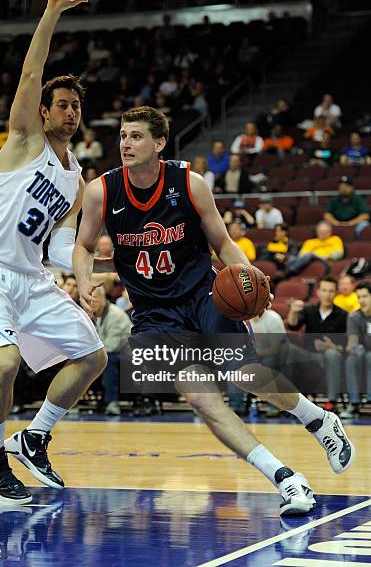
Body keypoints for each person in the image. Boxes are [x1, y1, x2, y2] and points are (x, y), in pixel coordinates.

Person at [73, 105, 355, 516]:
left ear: (159, 143)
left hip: (203, 295)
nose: (126, 144)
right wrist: (82, 279)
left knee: (247, 376)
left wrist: (248, 274)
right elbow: (82, 247)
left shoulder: (190, 183)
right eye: (122, 135)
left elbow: (222, 242)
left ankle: (319, 420)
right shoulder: (102, 190)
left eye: (136, 136)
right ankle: (286, 479)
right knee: (203, 400)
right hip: (154, 313)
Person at [0, 0, 108, 506]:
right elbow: (30, 72)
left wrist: (89, 276)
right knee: (6, 362)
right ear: (44, 112)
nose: (72, 110)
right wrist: (50, 14)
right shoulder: (23, 140)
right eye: (62, 104)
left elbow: (62, 246)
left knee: (92, 355)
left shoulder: (76, 180)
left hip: (33, 277)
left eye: (77, 106)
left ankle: (35, 436)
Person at [286, 277, 347, 412]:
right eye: (324, 290)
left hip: (330, 358)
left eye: (331, 291)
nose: (327, 294)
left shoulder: (343, 315)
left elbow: (346, 347)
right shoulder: (310, 310)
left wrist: (332, 347)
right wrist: (294, 311)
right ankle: (288, 400)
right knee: (289, 349)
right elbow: (293, 325)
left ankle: (332, 401)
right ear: (318, 292)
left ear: (336, 293)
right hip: (309, 355)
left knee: (332, 354)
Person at [91, 285, 132, 415]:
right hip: (112, 354)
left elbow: (111, 346)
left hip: (132, 358)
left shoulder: (115, 314)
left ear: (103, 298)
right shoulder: (93, 315)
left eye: (95, 299)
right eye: (89, 300)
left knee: (108, 361)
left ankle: (112, 402)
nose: (92, 302)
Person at [342, 282, 371, 419]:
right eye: (359, 297)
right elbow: (352, 342)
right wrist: (353, 348)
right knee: (352, 359)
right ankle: (354, 403)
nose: (361, 301)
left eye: (365, 296)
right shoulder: (354, 317)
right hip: (363, 353)